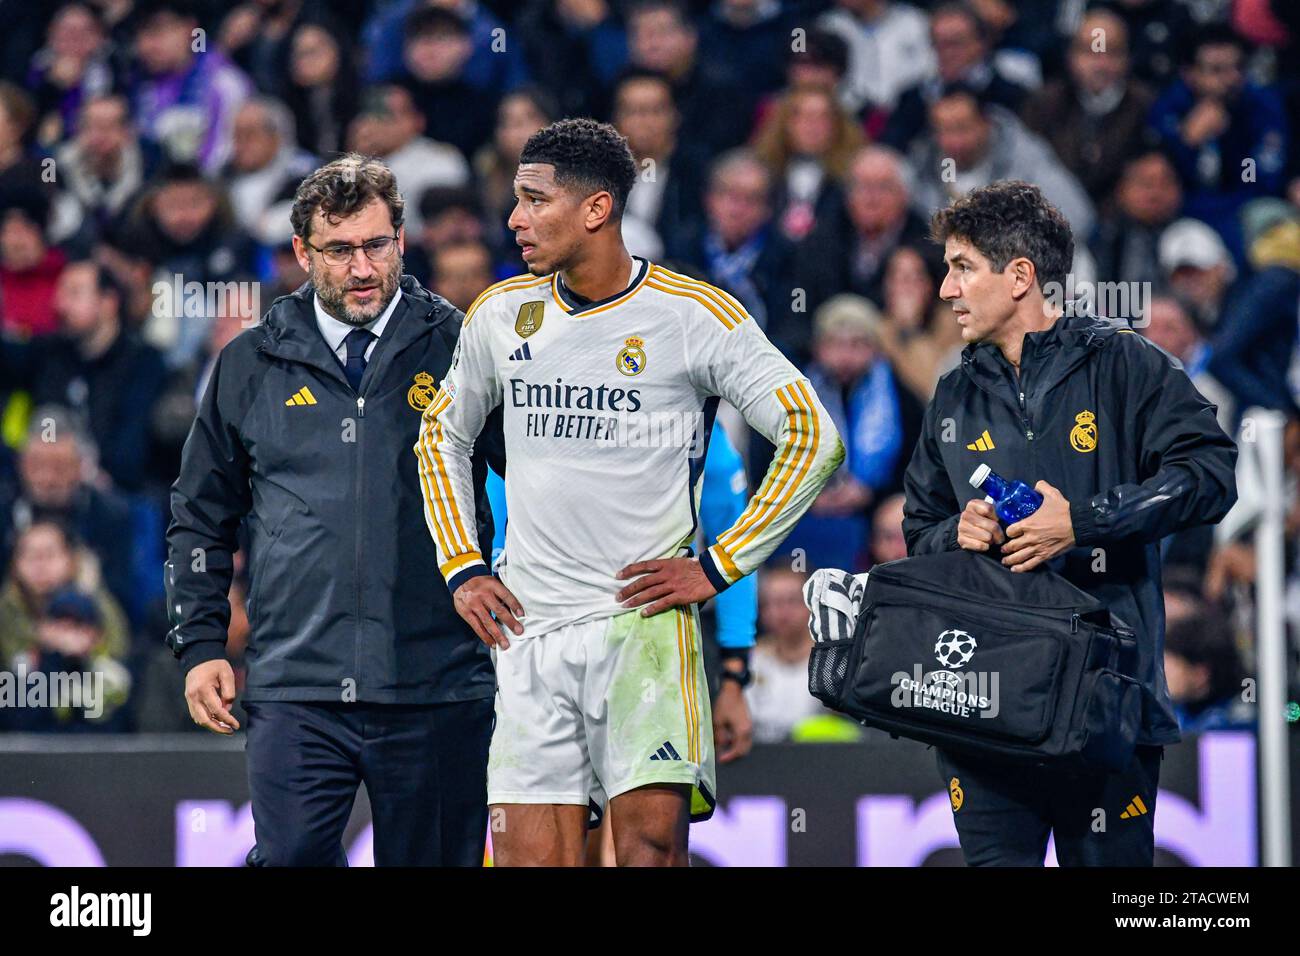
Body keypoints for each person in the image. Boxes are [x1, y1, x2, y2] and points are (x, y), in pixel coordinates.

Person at [416, 118, 842, 866]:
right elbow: (439, 436)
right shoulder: (499, 313)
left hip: (641, 629)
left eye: (533, 200)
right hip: (527, 630)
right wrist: (463, 565)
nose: (514, 219)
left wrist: (718, 567)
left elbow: (813, 434)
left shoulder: (694, 315)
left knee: (647, 855)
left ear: (596, 209)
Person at [166, 154, 503, 866]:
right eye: (339, 249)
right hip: (296, 684)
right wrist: (199, 647)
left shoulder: (461, 349)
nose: (361, 268)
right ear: (301, 252)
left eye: (376, 245)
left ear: (402, 241)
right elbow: (200, 515)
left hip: (436, 683)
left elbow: (539, 486)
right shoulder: (249, 363)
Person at [902, 180, 1237, 866]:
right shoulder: (953, 392)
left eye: (962, 267)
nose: (945, 290)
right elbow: (919, 528)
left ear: (1019, 275)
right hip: (984, 708)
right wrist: (954, 534)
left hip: (1104, 707)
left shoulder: (1125, 365)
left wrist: (1082, 523)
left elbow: (1211, 475)